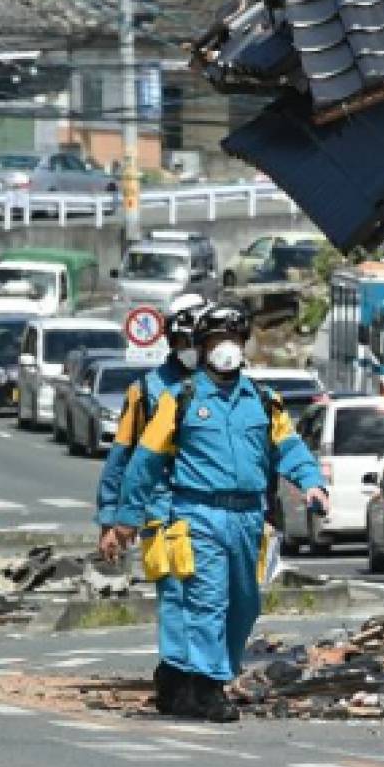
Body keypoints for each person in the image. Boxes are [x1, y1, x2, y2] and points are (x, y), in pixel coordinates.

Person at [109, 304, 327, 720]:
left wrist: (311, 482)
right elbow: (145, 460)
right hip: (197, 514)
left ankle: (200, 678)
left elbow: (290, 447)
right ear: (202, 347)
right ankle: (210, 687)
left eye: (231, 339)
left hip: (248, 518)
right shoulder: (181, 399)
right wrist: (125, 517)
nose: (223, 348)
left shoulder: (263, 400)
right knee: (207, 601)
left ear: (243, 345)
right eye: (214, 340)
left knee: (244, 604)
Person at [96, 292, 207, 705]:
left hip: (216, 513)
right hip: (163, 511)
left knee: (219, 596)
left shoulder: (232, 388)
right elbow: (123, 458)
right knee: (177, 594)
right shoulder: (145, 392)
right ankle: (179, 678)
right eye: (186, 340)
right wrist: (112, 519)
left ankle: (206, 674)